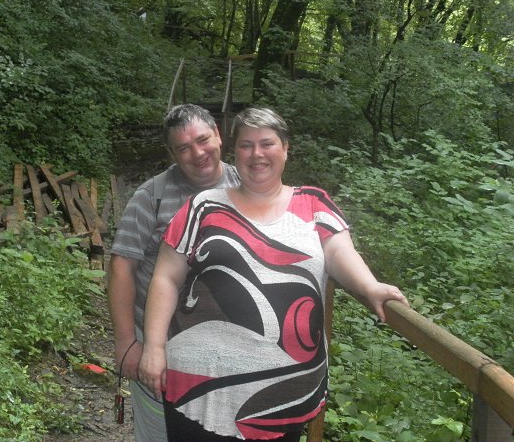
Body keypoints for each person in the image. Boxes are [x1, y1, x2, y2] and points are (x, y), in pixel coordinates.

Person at [138, 107, 410, 441]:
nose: (256, 154)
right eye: (246, 145)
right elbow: (166, 278)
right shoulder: (203, 206)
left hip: (282, 394)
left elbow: (341, 252)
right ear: (235, 152)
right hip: (197, 383)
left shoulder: (314, 204)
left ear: (285, 148)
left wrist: (370, 286)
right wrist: (153, 347)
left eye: (266, 143)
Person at [107, 103, 241, 442]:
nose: (198, 153)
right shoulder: (151, 196)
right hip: (161, 348)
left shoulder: (246, 185)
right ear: (171, 153)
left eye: (202, 140)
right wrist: (126, 343)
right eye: (183, 148)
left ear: (218, 135)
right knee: (162, 432)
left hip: (230, 348)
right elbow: (122, 266)